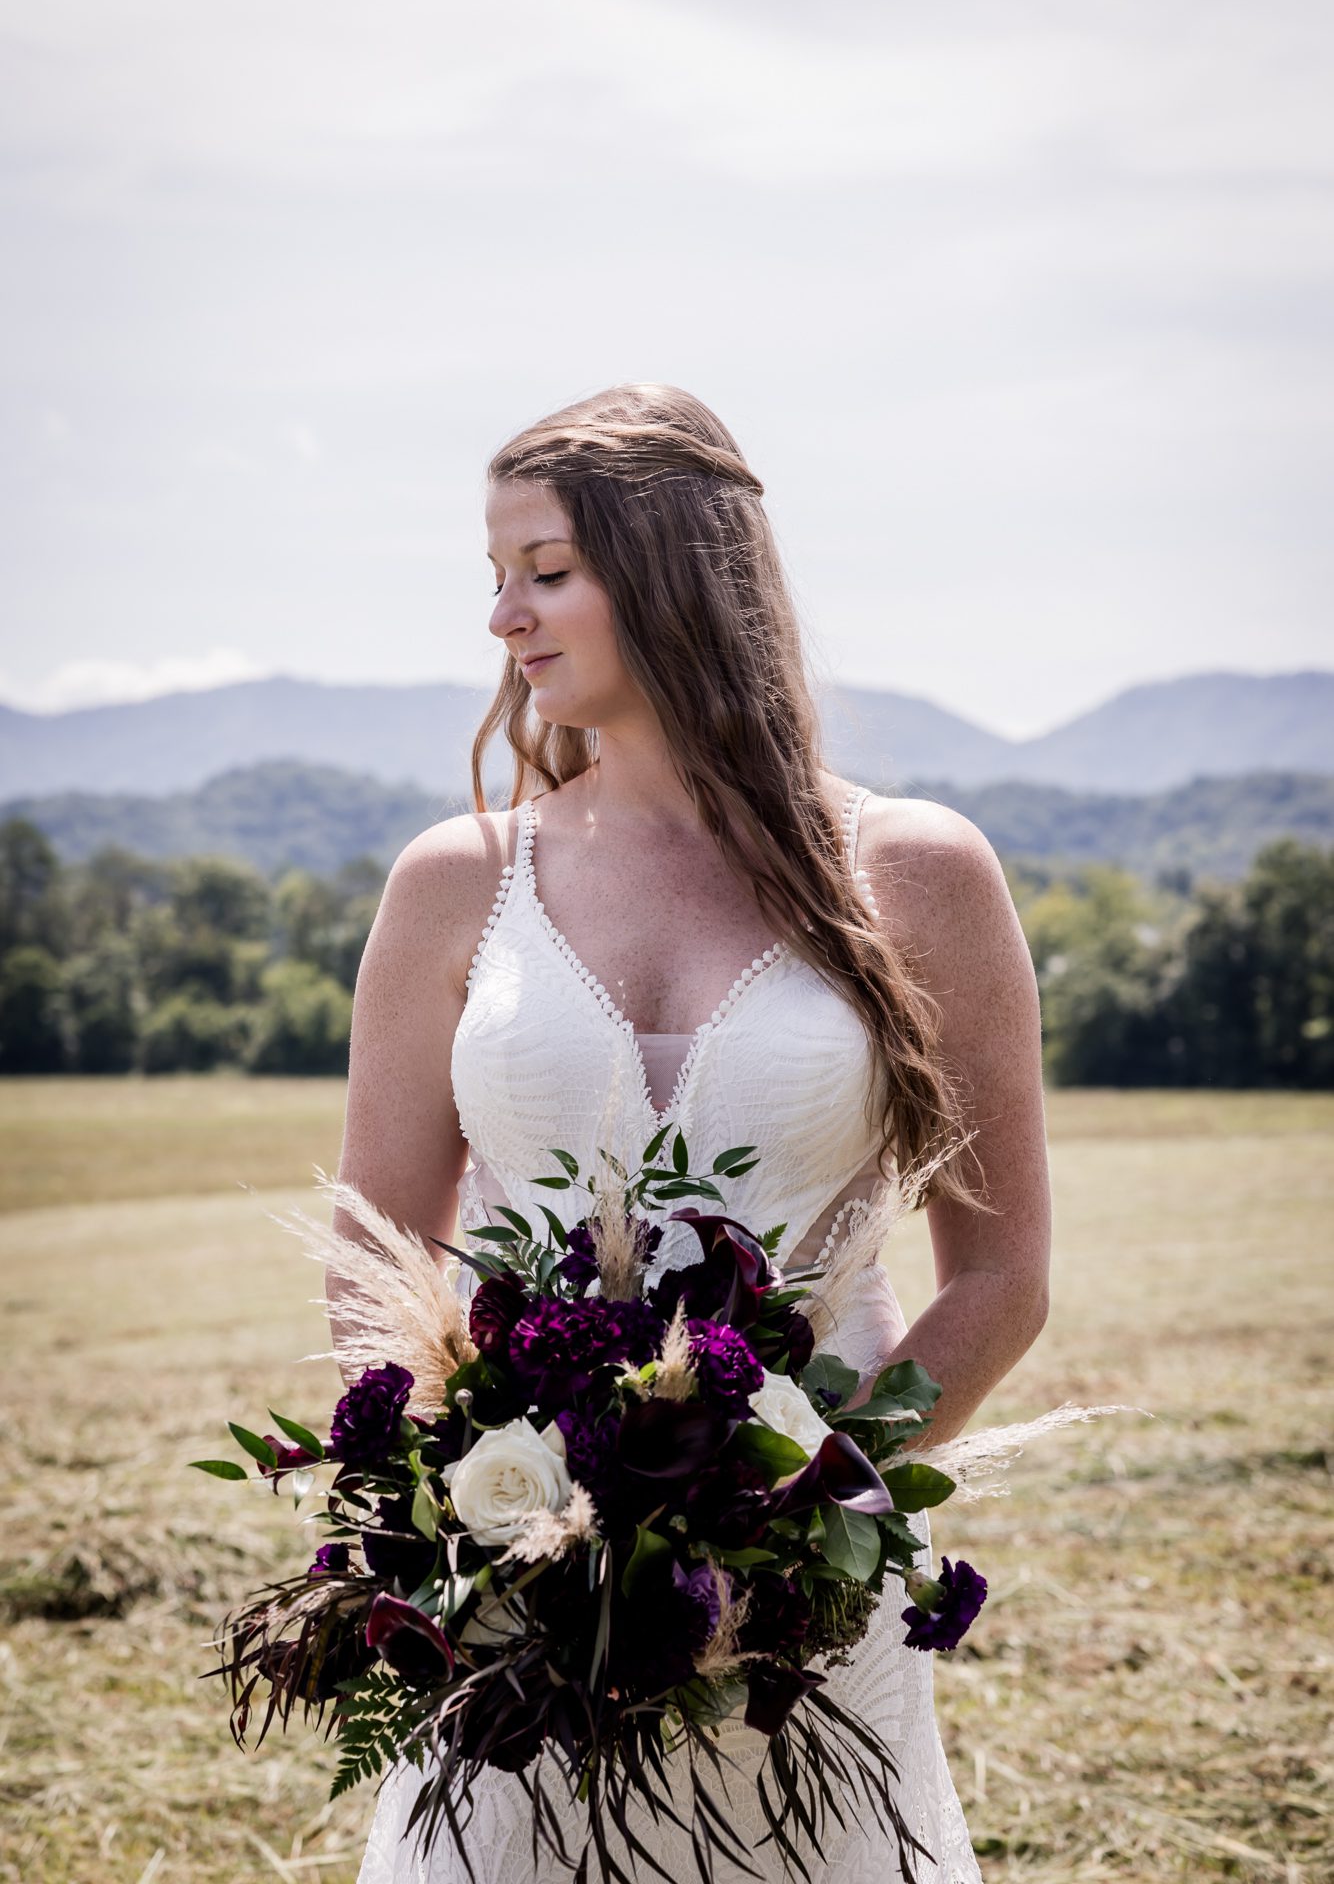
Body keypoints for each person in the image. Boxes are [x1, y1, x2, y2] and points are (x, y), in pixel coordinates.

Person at [338, 383, 1051, 1883]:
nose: (502, 620)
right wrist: (468, 1520)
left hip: (812, 1617)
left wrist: (800, 1527)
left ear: (668, 575)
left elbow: (998, 1277)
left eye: (544, 571)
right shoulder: (454, 882)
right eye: (493, 577)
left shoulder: (913, 872)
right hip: (522, 1604)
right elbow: (374, 1260)